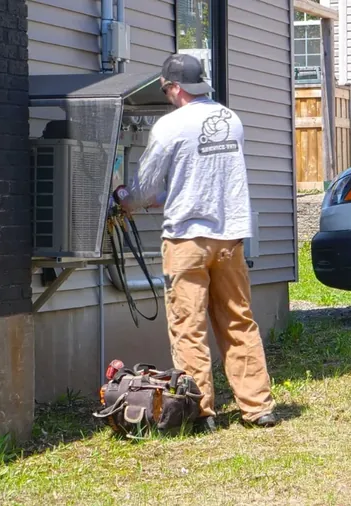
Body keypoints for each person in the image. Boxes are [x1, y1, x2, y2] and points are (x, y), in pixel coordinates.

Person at [113, 53, 278, 431]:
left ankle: (201, 411)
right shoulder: (230, 119)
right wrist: (165, 194)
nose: (168, 95)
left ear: (175, 88)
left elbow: (146, 188)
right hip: (229, 239)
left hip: (187, 241)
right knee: (238, 321)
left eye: (168, 89)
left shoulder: (170, 126)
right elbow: (200, 175)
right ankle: (258, 407)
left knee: (190, 327)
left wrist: (125, 199)